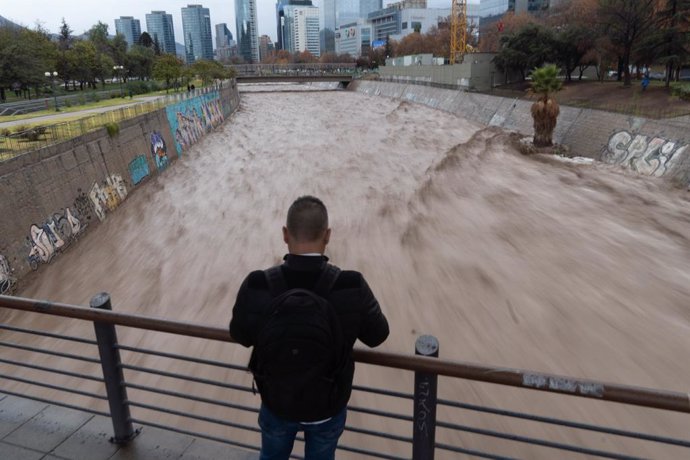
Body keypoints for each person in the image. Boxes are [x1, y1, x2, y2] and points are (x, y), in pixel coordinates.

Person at [230, 196, 389, 460]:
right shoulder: (351, 285)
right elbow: (378, 336)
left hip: (276, 403)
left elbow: (240, 335)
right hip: (326, 407)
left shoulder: (257, 284)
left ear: (285, 234)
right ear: (327, 236)